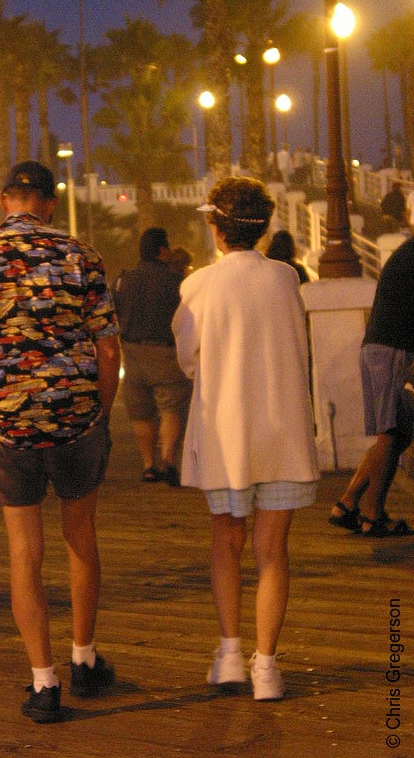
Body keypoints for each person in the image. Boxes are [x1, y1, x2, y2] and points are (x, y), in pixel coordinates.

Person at [0, 161, 120, 723]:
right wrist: (99, 412)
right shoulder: (81, 255)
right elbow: (109, 350)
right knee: (80, 536)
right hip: (76, 417)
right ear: (49, 201)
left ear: (3, 200)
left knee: (25, 551)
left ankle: (45, 683)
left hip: (8, 421)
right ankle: (85, 661)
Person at [172, 177, 318, 701]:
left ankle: (231, 653)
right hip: (282, 433)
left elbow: (188, 362)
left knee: (227, 543)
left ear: (216, 227)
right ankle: (267, 668)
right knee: (273, 551)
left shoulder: (199, 286)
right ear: (263, 227)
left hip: (226, 436)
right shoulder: (285, 279)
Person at [328, 236, 414, 537]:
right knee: (390, 435)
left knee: (396, 434)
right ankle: (373, 516)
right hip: (392, 349)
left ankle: (347, 502)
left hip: (378, 347)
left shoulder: (406, 252)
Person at [113, 227, 192, 486]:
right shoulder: (176, 281)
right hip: (166, 353)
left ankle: (148, 464)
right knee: (170, 408)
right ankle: (168, 460)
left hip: (133, 353)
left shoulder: (124, 280)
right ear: (162, 251)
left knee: (141, 413)